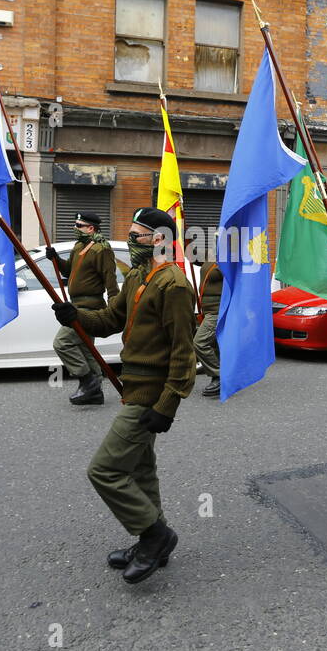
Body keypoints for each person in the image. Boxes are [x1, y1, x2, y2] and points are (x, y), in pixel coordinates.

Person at [50, 208, 195, 584]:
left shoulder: (174, 285)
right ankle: (153, 542)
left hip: (151, 392)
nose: (131, 240)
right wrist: (76, 316)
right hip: (131, 385)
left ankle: (155, 535)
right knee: (141, 468)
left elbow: (184, 353)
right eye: (129, 233)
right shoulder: (137, 276)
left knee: (105, 470)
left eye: (139, 234)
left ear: (160, 239)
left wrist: (167, 406)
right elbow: (109, 321)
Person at [45, 212, 119, 405]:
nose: (75, 228)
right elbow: (68, 271)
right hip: (75, 304)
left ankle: (88, 382)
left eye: (79, 225)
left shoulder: (101, 249)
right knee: (86, 349)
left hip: (90, 307)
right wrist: (55, 260)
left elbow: (111, 282)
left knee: (62, 343)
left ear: (91, 228)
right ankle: (95, 392)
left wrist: (115, 310)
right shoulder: (79, 246)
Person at [193, 260, 222, 397]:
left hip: (217, 311)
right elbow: (195, 260)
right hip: (208, 311)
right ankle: (219, 379)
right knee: (215, 346)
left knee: (200, 343)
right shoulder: (207, 259)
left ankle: (219, 375)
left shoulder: (225, 257)